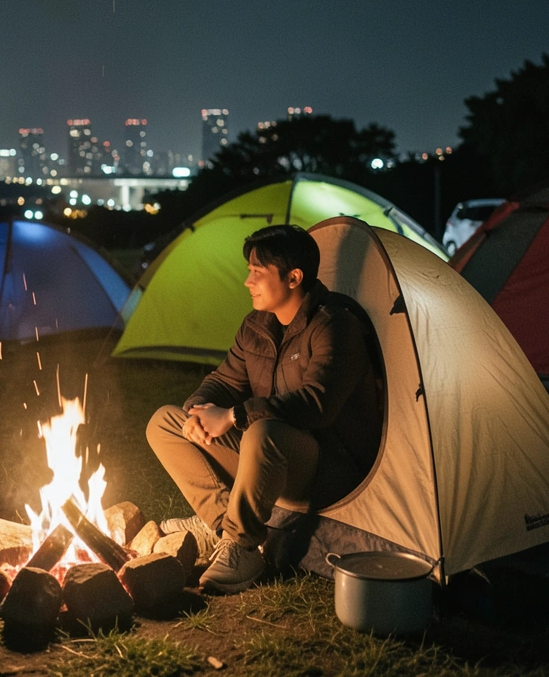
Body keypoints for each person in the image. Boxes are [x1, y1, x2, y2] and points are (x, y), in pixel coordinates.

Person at [145, 224, 380, 593]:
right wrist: (198, 409)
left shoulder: (333, 327)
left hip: (324, 467)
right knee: (165, 423)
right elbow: (224, 381)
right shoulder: (256, 327)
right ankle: (225, 528)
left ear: (293, 277)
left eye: (257, 272)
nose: (246, 281)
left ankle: (242, 548)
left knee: (262, 430)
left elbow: (317, 405)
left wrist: (233, 416)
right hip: (266, 459)